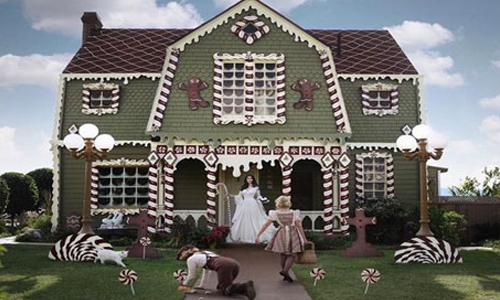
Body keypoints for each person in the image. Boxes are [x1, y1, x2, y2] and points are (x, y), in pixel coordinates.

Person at [255, 195, 307, 283]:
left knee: (283, 254)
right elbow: (299, 226)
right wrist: (304, 238)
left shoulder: (275, 213)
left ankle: (285, 274)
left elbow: (266, 225)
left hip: (281, 233)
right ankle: (285, 271)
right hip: (292, 232)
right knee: (292, 254)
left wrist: (258, 235)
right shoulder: (294, 213)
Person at [176, 244, 256, 299]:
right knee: (222, 288)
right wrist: (202, 285)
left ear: (187, 251)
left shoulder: (191, 259)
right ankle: (245, 291)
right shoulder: (203, 253)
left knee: (225, 290)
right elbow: (206, 272)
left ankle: (245, 286)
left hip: (223, 266)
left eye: (181, 255)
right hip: (234, 263)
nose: (182, 258)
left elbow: (192, 275)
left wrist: (183, 284)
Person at [228, 174, 274, 243]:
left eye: (251, 178)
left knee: (254, 218)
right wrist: (231, 195)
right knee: (244, 218)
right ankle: (244, 236)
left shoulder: (256, 187)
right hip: (245, 204)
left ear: (253, 179)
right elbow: (239, 196)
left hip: (252, 204)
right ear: (246, 180)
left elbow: (258, 196)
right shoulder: (243, 188)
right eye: (248, 178)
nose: (249, 180)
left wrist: (263, 200)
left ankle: (256, 235)